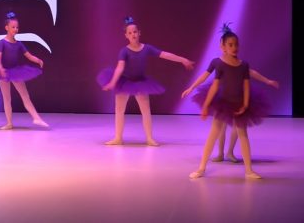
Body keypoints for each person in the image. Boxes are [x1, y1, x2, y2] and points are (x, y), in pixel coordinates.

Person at [188, 23, 270, 179]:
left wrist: (245, 104)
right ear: (223, 47)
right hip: (224, 104)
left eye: (236, 44)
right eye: (230, 44)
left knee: (243, 135)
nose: (234, 47)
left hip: (239, 104)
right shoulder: (219, 63)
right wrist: (205, 105)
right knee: (213, 134)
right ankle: (201, 168)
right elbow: (215, 86)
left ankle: (249, 171)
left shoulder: (244, 65)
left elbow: (246, 85)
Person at [98, 16, 194, 146]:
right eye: (130, 33)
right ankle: (118, 138)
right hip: (124, 82)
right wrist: (113, 82)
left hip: (140, 82)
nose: (133, 34)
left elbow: (165, 54)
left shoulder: (147, 48)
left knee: (146, 110)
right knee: (119, 110)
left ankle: (149, 138)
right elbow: (120, 68)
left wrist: (182, 60)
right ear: (126, 35)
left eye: (135, 32)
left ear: (139, 33)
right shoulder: (124, 51)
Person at [182, 53, 278, 162]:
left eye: (234, 45)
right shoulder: (217, 62)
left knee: (238, 125)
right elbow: (204, 76)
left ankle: (230, 152)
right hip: (222, 96)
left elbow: (251, 72)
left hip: (238, 96)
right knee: (220, 126)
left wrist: (267, 81)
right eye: (229, 45)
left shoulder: (239, 64)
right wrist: (191, 87)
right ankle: (220, 153)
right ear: (223, 47)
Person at [0, 11, 48, 130]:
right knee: (7, 98)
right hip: (3, 72)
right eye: (13, 27)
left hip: (15, 72)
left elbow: (29, 56)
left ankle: (37, 118)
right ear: (7, 28)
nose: (15, 29)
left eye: (17, 27)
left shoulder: (19, 44)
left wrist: (38, 60)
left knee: (25, 96)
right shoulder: (2, 43)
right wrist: (0, 68)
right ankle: (9, 123)